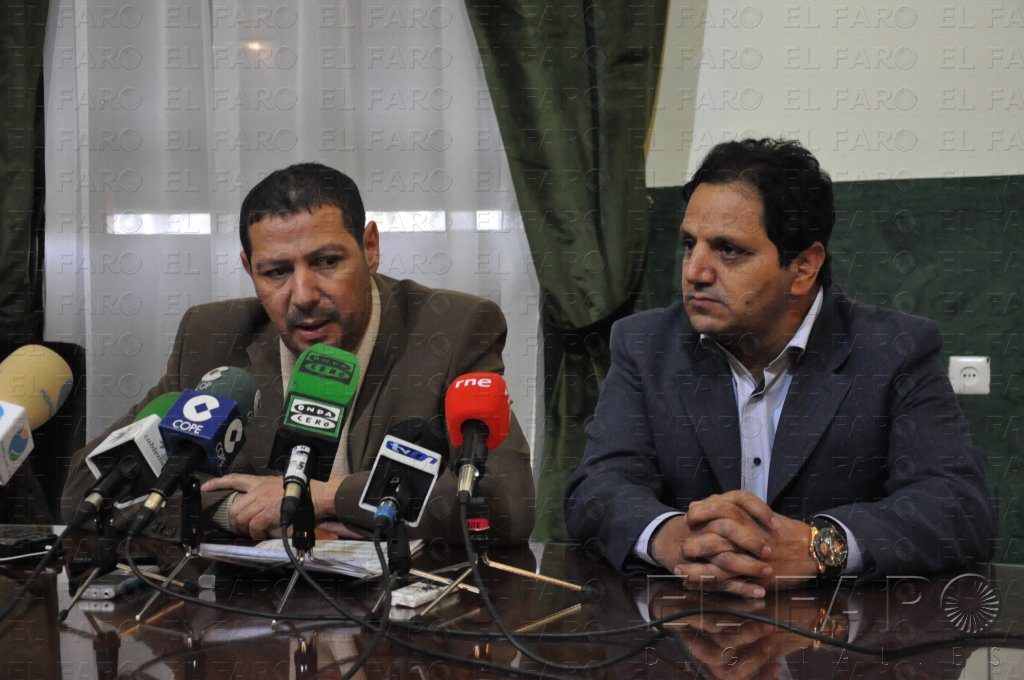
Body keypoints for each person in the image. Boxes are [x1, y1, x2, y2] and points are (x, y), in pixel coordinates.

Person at [564, 138, 994, 596]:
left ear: (804, 267)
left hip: (838, 631)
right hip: (686, 623)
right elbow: (598, 487)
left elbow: (958, 507)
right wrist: (669, 537)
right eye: (690, 245)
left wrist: (818, 546)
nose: (695, 272)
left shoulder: (893, 351)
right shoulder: (646, 345)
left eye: (729, 250)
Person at [60, 163, 535, 545]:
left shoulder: (451, 330)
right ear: (249, 268)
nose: (303, 295)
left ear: (370, 248)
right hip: (253, 616)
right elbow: (88, 490)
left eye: (327, 262)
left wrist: (324, 497)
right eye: (276, 272)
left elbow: (505, 504)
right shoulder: (212, 338)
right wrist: (236, 510)